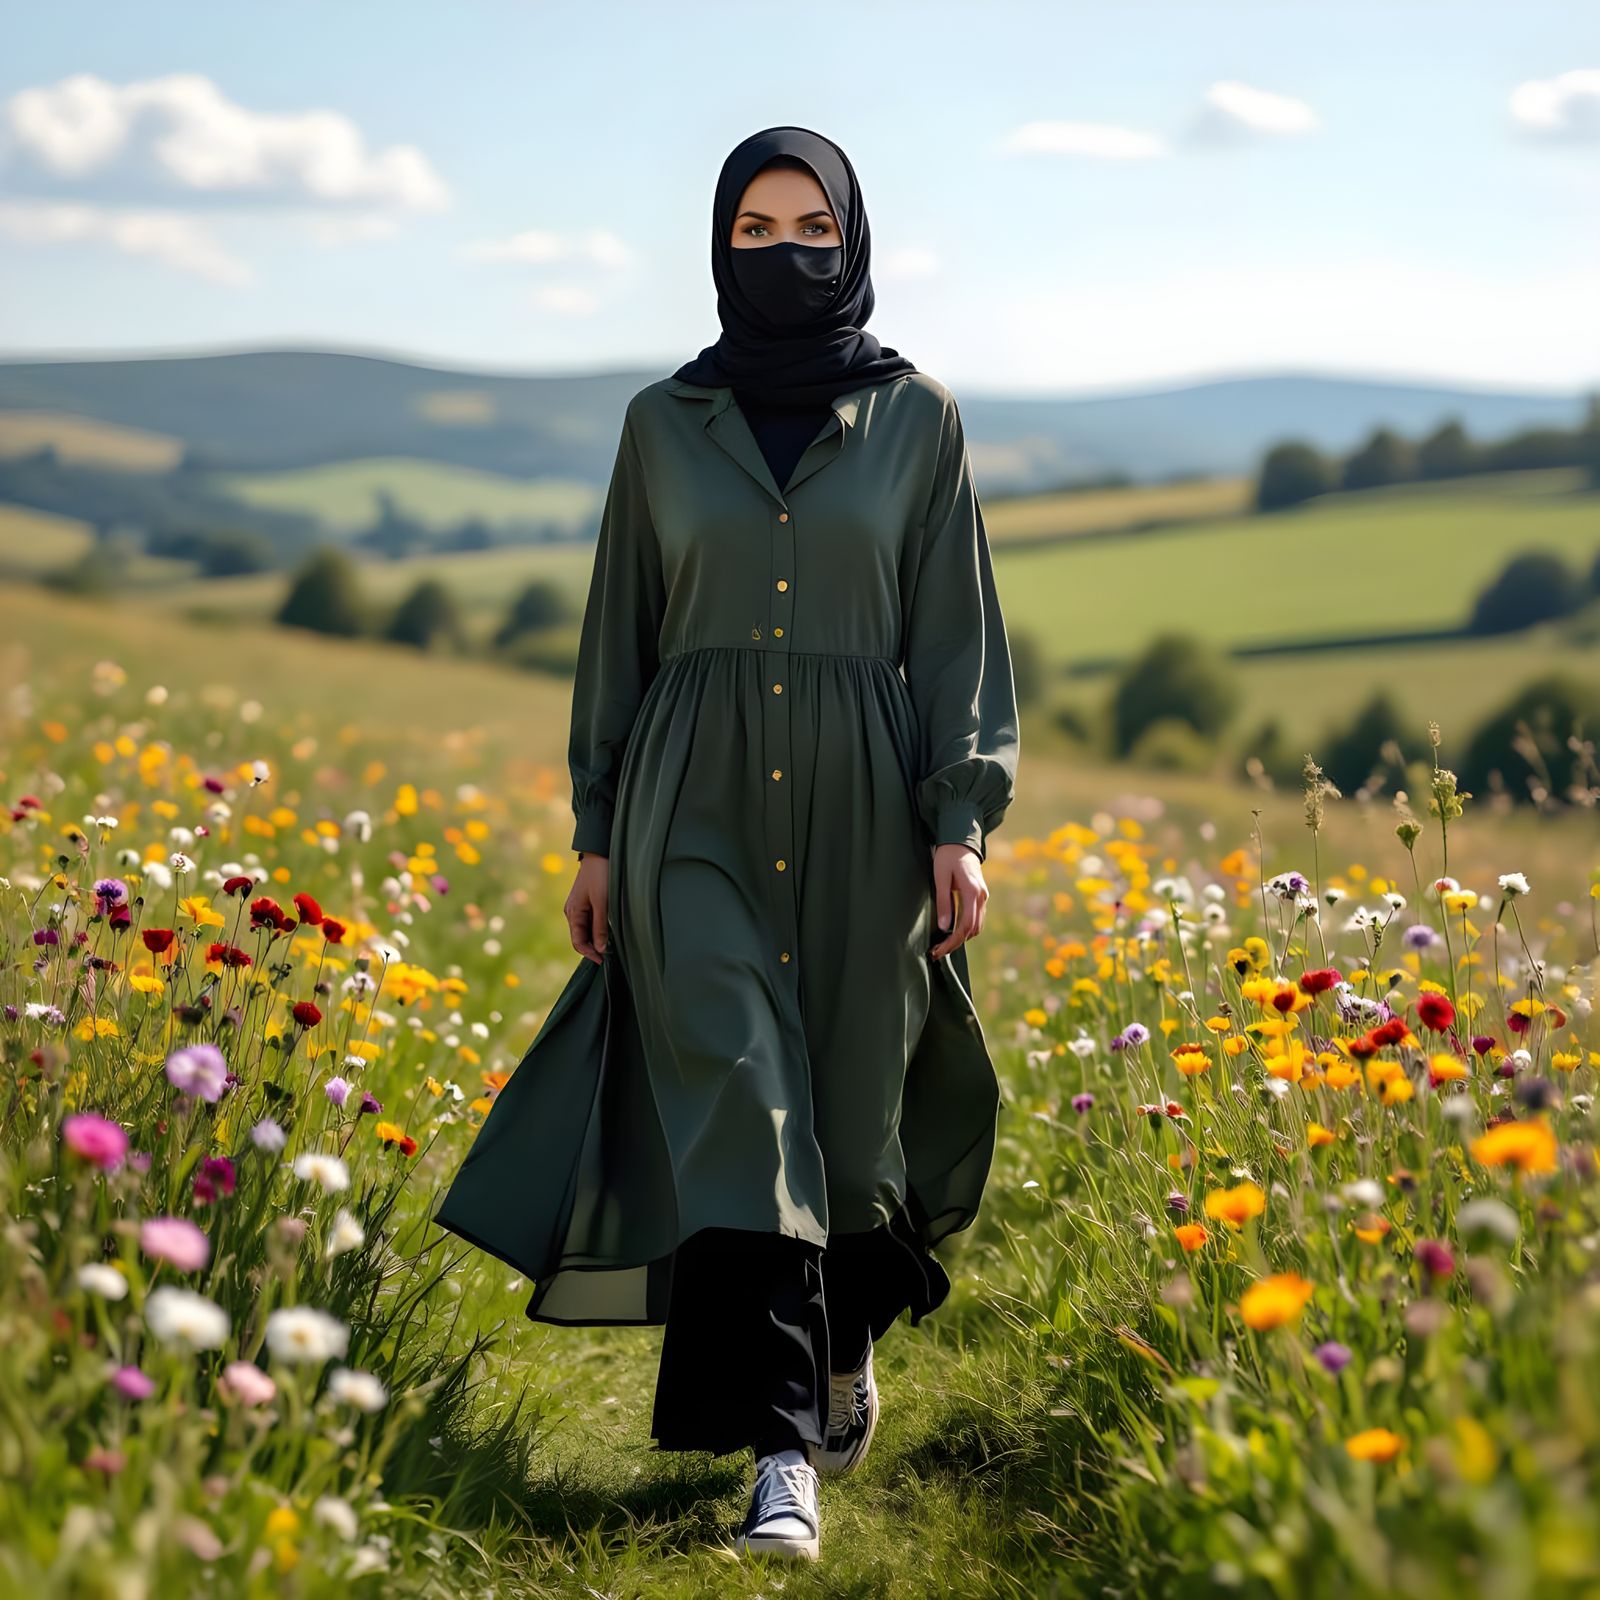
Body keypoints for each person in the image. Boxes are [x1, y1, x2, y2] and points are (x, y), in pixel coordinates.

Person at [435, 124, 1020, 1564]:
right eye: (753, 230)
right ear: (717, 246)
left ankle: (843, 1340)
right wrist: (592, 832)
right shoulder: (659, 424)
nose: (783, 252)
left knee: (847, 1127)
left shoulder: (920, 420)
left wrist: (963, 824)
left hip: (867, 817)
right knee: (745, 1117)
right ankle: (781, 1459)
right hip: (685, 810)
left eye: (808, 224)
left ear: (855, 235)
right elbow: (614, 636)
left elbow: (955, 639)